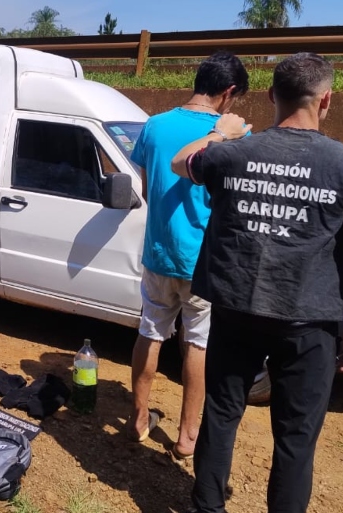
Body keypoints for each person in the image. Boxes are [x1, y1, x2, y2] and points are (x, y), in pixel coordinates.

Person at [170, 52, 343, 513]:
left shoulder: (228, 155)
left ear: (271, 95)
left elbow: (181, 161)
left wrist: (219, 132)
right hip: (309, 321)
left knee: (221, 413)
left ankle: (206, 507)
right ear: (326, 100)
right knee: (296, 435)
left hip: (236, 310)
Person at [127, 51, 249, 462]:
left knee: (150, 332)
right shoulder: (235, 136)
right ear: (228, 93)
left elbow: (147, 188)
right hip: (203, 260)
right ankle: (187, 436)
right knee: (197, 343)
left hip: (158, 252)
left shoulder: (155, 125)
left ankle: (138, 419)